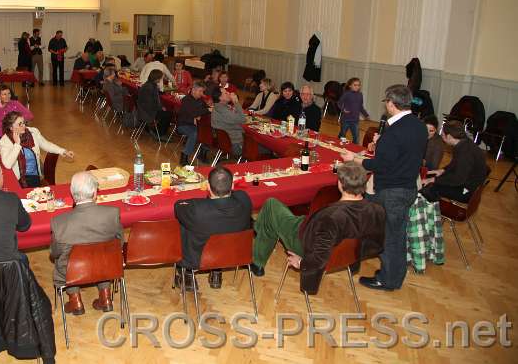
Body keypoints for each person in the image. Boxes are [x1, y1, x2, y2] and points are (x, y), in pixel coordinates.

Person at [250, 163, 385, 296]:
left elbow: (319, 255)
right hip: (341, 249)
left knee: (271, 204)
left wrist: (301, 262)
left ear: (340, 184)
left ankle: (258, 258)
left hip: (303, 241)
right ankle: (261, 232)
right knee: (276, 218)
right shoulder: (377, 210)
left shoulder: (332, 217)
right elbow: (376, 243)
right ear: (364, 183)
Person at [341, 84, 427, 291]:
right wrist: (383, 144)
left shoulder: (395, 131)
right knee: (395, 234)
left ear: (391, 103)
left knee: (389, 237)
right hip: (408, 187)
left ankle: (387, 280)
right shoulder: (419, 126)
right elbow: (404, 155)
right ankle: (389, 274)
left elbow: (380, 164)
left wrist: (356, 159)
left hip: (391, 191)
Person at [50, 172, 122, 315]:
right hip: (105, 268)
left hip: (72, 273)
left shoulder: (59, 222)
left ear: (72, 194)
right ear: (95, 193)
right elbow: (119, 243)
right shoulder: (112, 214)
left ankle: (75, 301)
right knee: (103, 255)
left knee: (65, 261)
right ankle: (105, 297)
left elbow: (55, 253)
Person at [174, 166, 252, 290]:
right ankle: (217, 272)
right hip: (234, 254)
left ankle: (187, 275)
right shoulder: (245, 200)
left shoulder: (197, 210)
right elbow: (237, 194)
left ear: (208, 187)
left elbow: (178, 206)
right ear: (232, 186)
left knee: (183, 224)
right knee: (220, 228)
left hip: (199, 259)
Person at [0, 111, 74, 188]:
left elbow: (46, 144)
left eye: (24, 122)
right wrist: (17, 144)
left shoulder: (32, 132)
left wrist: (63, 151)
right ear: (11, 127)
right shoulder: (4, 141)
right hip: (19, 178)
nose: (24, 126)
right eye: (20, 124)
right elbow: (7, 164)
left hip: (33, 175)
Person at [421, 120, 489, 203]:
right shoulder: (464, 143)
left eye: (442, 135)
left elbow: (457, 180)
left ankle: (432, 211)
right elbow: (455, 163)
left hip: (467, 191)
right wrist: (443, 170)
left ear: (449, 136)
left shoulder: (465, 152)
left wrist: (433, 180)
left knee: (428, 188)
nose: (441, 137)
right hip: (466, 182)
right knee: (432, 180)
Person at [177, 81, 210, 165]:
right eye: (200, 91)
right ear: (193, 90)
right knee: (194, 133)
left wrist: (200, 114)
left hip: (195, 125)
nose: (202, 93)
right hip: (183, 125)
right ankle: (184, 156)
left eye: (202, 91)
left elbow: (205, 110)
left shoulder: (200, 100)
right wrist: (198, 114)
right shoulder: (186, 100)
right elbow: (195, 112)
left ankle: (203, 152)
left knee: (207, 130)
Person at [211, 88, 246, 157]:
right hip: (235, 145)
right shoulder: (223, 109)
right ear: (220, 98)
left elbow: (233, 118)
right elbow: (243, 119)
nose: (229, 94)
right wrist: (236, 102)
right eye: (226, 93)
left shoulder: (217, 106)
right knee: (264, 147)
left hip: (223, 143)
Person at [136, 69, 171, 137]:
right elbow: (151, 104)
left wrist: (162, 93)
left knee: (165, 111)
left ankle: (154, 129)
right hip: (147, 112)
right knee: (168, 114)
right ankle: (160, 133)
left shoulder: (148, 84)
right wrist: (160, 108)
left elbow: (152, 97)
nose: (161, 79)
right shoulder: (151, 87)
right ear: (157, 78)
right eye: (160, 78)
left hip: (143, 109)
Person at [338, 77, 370, 144]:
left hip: (355, 120)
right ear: (350, 86)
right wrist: (343, 109)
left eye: (358, 85)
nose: (357, 87)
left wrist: (366, 114)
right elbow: (339, 103)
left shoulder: (360, 95)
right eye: (355, 85)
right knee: (342, 135)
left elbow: (360, 106)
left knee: (356, 137)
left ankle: (354, 149)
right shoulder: (346, 94)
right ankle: (338, 144)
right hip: (345, 119)